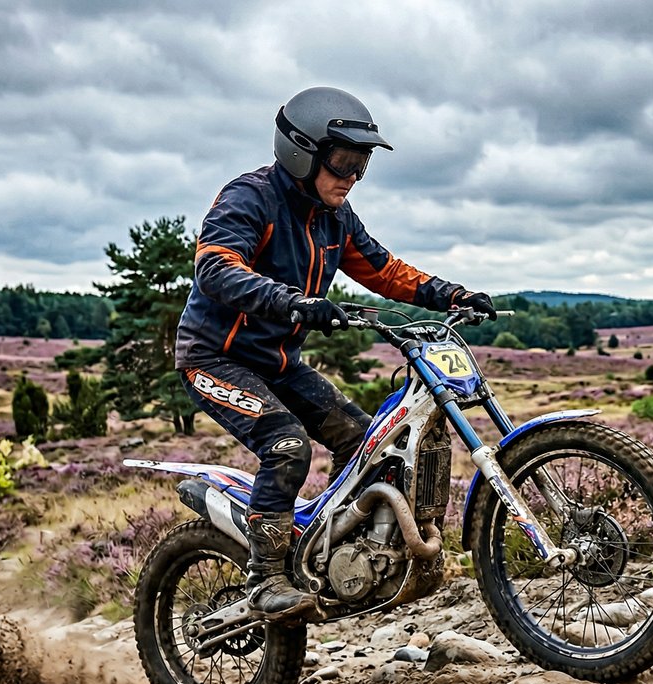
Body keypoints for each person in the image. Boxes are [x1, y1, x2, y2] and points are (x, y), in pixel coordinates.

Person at [174, 86, 495, 621]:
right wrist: (295, 302)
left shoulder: (335, 218)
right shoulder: (248, 199)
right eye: (343, 160)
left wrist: (450, 294)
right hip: (214, 357)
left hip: (277, 363)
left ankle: (332, 554)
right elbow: (216, 267)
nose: (351, 175)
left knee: (365, 442)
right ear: (302, 151)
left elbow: (384, 270)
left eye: (360, 165)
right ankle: (266, 579)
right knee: (286, 446)